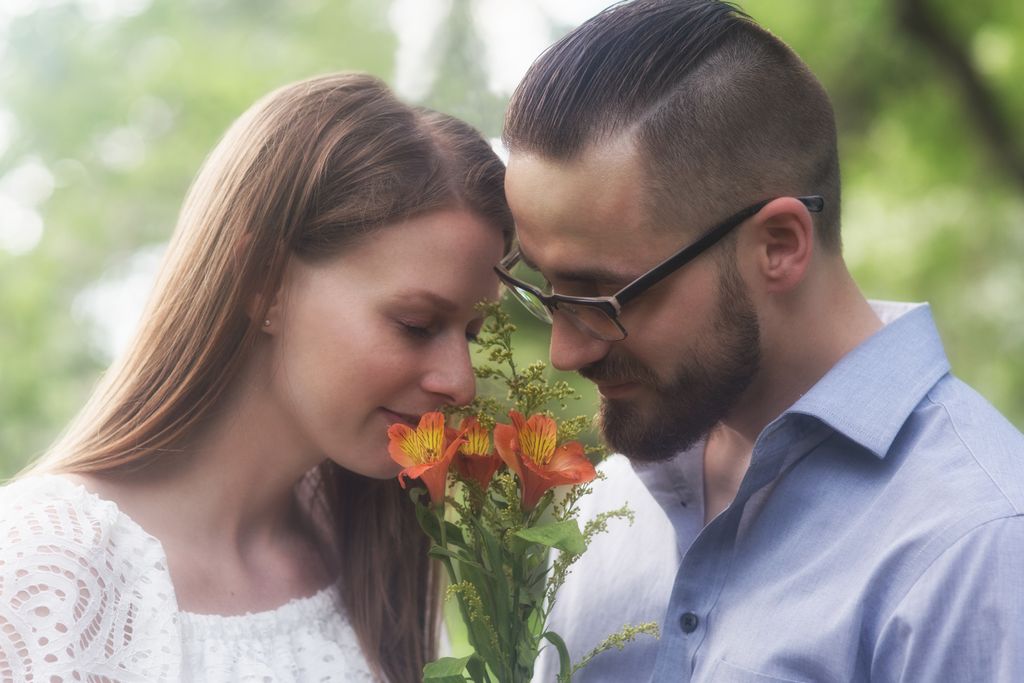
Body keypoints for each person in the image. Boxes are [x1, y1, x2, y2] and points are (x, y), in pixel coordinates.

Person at [497, 1, 1024, 681]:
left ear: (778, 246)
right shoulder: (610, 503)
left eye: (602, 298)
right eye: (545, 290)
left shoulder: (980, 542)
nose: (564, 352)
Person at [0, 72, 512, 682]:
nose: (461, 382)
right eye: (416, 323)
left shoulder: (375, 560)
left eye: (473, 336)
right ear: (262, 282)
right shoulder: (42, 567)